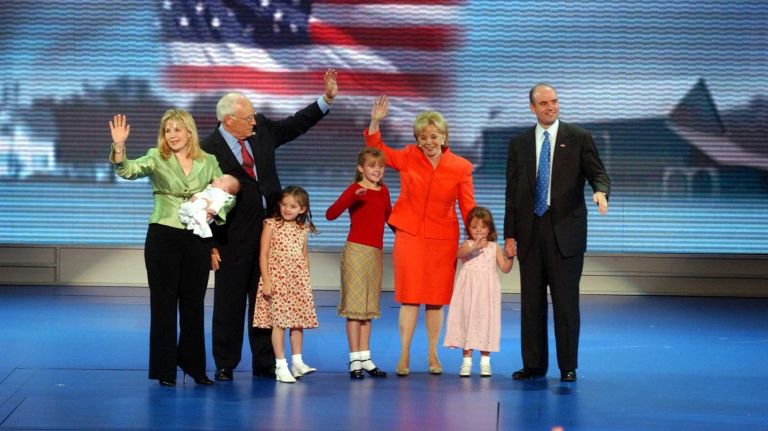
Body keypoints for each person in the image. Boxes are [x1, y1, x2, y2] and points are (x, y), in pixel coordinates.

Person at [202, 69, 338, 381]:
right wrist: (209, 244)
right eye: (248, 117)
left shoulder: (261, 128)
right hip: (231, 238)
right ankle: (225, 363)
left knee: (266, 299)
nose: (254, 121)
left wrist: (326, 100)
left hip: (272, 234)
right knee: (229, 302)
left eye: (253, 116)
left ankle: (266, 362)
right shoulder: (208, 149)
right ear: (228, 120)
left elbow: (294, 125)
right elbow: (201, 198)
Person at [109, 110, 234, 387]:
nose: (172, 135)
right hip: (163, 234)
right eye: (167, 131)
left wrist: (214, 210)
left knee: (193, 305)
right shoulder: (156, 156)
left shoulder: (209, 161)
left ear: (189, 132)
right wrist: (119, 147)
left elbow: (228, 196)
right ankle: (165, 370)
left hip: (197, 237)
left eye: (177, 130)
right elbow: (128, 170)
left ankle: (194, 366)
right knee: (163, 304)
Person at [504, 83, 610, 383]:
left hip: (566, 233)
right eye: (544, 103)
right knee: (531, 304)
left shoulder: (579, 138)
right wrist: (509, 235)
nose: (551, 107)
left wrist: (601, 191)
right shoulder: (519, 144)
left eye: (554, 101)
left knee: (565, 303)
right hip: (530, 233)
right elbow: (512, 193)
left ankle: (567, 366)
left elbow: (598, 173)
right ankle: (534, 365)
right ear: (532, 108)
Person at [364, 95, 476, 376]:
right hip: (410, 235)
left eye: (433, 136)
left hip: (443, 239)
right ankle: (403, 354)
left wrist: (475, 236)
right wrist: (375, 122)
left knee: (436, 299)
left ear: (444, 137)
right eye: (422, 137)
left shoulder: (461, 167)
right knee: (410, 297)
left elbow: (468, 206)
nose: (428, 142)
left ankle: (433, 354)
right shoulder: (408, 156)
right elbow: (378, 149)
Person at [325, 147, 392, 380]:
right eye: (372, 166)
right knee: (355, 309)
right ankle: (354, 358)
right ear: (361, 168)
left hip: (375, 254)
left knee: (368, 309)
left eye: (381, 166)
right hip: (356, 251)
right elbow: (330, 214)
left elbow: (390, 218)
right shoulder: (354, 189)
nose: (377, 170)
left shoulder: (384, 191)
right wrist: (353, 196)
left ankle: (365, 357)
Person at [252, 186, 319, 383]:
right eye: (284, 205)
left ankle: (297, 362)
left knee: (297, 322)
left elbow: (304, 255)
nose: (287, 209)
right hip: (277, 280)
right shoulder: (271, 224)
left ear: (302, 209)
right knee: (279, 323)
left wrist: (305, 279)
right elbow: (263, 254)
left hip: (297, 281)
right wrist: (266, 280)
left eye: (293, 206)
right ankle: (280, 365)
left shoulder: (302, 228)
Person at [443, 207, 513, 377]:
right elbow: (459, 254)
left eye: (483, 227)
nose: (479, 230)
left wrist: (511, 257)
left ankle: (485, 362)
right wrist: (474, 246)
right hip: (469, 289)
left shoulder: (494, 247)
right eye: (474, 227)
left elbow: (504, 268)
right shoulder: (467, 244)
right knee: (467, 321)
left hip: (487, 290)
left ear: (490, 229)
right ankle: (466, 362)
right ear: (468, 229)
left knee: (485, 322)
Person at [178, 174, 240, 238]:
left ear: (225, 189)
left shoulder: (221, 194)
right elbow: (203, 193)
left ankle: (196, 222)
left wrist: (213, 209)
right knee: (199, 205)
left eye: (219, 180)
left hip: (208, 211)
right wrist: (196, 196)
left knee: (201, 209)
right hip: (201, 205)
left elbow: (218, 202)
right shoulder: (210, 187)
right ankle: (188, 215)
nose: (215, 180)